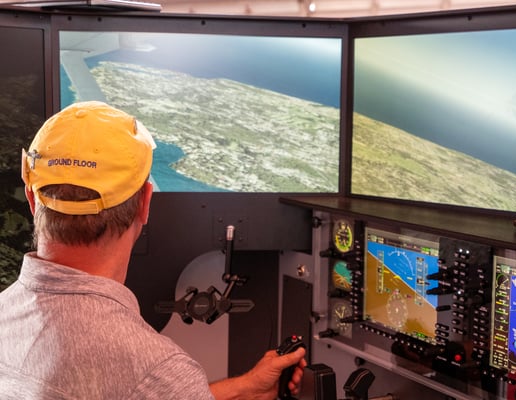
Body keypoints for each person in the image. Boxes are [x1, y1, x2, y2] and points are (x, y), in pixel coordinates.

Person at [0, 101, 306, 399]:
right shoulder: (154, 369)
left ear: (31, 198)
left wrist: (246, 388)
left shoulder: (5, 312)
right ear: (145, 204)